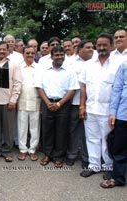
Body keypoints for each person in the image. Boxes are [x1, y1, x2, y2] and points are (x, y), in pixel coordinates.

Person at [79, 33, 119, 179]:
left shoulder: (118, 64)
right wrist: (82, 106)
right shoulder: (88, 64)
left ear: (111, 46)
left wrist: (115, 111)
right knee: (92, 138)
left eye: (105, 45)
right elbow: (83, 87)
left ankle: (108, 166)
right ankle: (94, 165)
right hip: (90, 109)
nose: (101, 47)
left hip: (108, 110)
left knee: (107, 140)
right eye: (99, 45)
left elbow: (119, 89)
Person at [36, 45, 79, 168]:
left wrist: (59, 103)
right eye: (57, 55)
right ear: (52, 56)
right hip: (47, 102)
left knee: (61, 131)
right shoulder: (44, 70)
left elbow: (72, 89)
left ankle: (59, 156)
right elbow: (39, 87)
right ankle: (48, 155)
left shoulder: (70, 71)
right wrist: (47, 102)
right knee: (47, 130)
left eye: (61, 55)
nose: (59, 57)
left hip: (63, 104)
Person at [0, 41, 22, 163]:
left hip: (8, 100)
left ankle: (7, 151)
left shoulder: (13, 63)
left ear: (8, 50)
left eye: (4, 49)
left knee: (8, 127)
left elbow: (18, 82)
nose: (2, 51)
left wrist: (13, 99)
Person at [65, 40, 94, 168]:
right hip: (75, 102)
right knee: (73, 130)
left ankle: (86, 158)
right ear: (80, 49)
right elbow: (69, 83)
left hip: (92, 104)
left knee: (88, 132)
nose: (91, 50)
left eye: (92, 47)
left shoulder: (95, 63)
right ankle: (71, 155)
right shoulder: (71, 63)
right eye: (88, 48)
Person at [100, 61, 127, 188]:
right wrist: (113, 112)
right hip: (123, 113)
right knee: (119, 148)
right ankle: (118, 178)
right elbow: (117, 89)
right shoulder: (124, 65)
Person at [17, 45, 41, 161]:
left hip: (35, 100)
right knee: (22, 126)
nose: (30, 55)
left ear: (35, 54)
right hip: (21, 100)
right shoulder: (19, 67)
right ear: (23, 54)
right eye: (27, 53)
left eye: (32, 53)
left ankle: (32, 149)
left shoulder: (39, 68)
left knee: (34, 127)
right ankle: (22, 149)